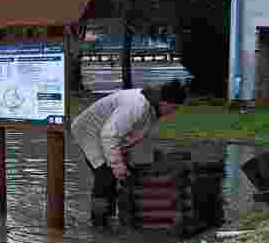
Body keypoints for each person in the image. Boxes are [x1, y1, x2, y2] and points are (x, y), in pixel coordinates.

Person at [70, 79, 188, 227]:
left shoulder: (152, 106)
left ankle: (112, 215)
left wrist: (122, 157)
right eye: (174, 108)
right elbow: (109, 134)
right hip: (89, 131)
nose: (173, 112)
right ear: (165, 102)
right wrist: (117, 164)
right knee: (104, 176)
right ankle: (99, 222)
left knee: (118, 175)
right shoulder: (136, 105)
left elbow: (130, 134)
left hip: (107, 133)